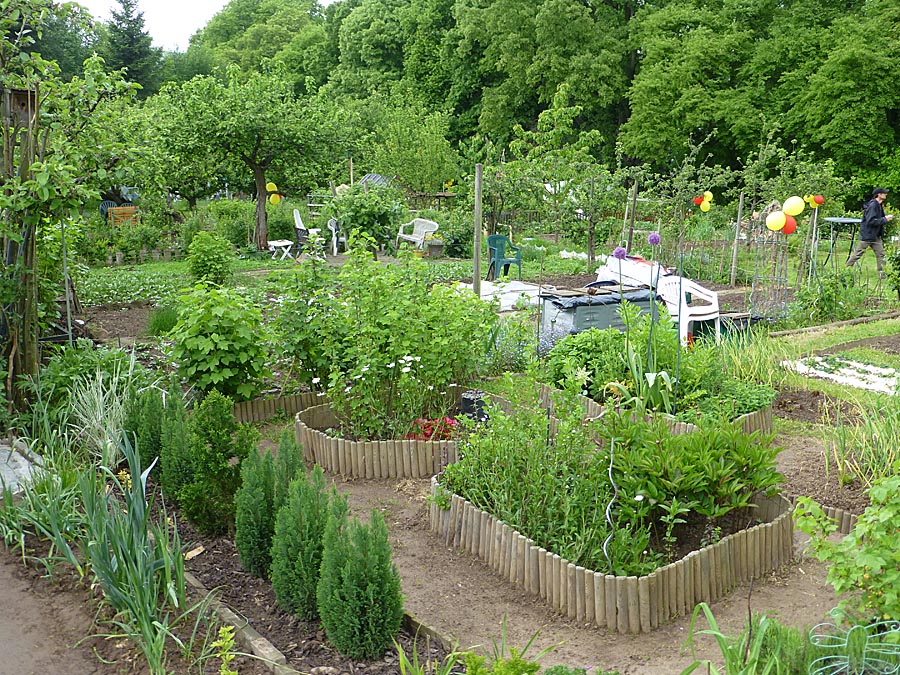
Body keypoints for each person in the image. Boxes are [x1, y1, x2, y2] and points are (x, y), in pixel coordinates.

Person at [846, 187, 894, 277]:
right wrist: (885, 219)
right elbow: (871, 221)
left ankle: (882, 274)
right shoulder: (873, 205)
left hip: (875, 236)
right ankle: (846, 269)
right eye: (884, 193)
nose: (886, 194)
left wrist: (884, 219)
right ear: (879, 195)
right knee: (858, 254)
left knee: (881, 254)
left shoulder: (879, 205)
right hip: (868, 235)